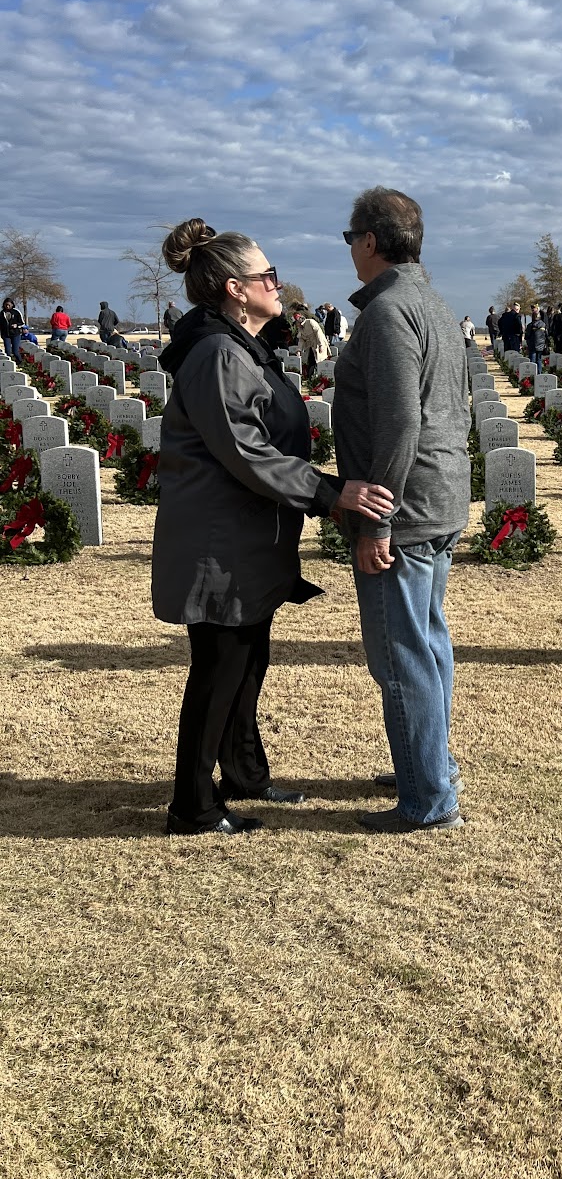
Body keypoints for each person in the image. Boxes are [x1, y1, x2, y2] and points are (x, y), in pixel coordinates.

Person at [153, 218, 392, 836]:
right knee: (218, 668)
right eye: (268, 276)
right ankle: (193, 805)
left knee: (248, 659)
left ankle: (243, 773)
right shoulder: (216, 353)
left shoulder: (242, 346)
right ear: (235, 288)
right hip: (220, 541)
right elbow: (246, 451)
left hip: (251, 537)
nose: (278, 284)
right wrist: (333, 492)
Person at [336, 186, 471, 834]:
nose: (349, 251)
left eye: (348, 239)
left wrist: (377, 521)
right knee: (429, 642)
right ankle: (431, 765)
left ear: (369, 241)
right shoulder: (434, 305)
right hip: (438, 498)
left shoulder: (389, 313)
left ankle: (427, 799)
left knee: (401, 654)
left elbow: (397, 424)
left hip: (407, 509)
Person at [296, 303, 330, 383]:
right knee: (311, 361)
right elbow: (301, 339)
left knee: (319, 360)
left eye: (296, 323)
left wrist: (321, 345)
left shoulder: (311, 322)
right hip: (310, 346)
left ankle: (321, 379)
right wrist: (299, 350)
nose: (296, 325)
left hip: (318, 343)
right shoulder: (300, 328)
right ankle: (310, 378)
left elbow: (319, 333)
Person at [525, 304, 548, 368]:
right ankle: (539, 374)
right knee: (539, 360)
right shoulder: (543, 324)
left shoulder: (530, 325)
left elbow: (527, 335)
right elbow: (546, 334)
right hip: (541, 345)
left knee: (532, 361)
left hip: (533, 345)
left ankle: (532, 375)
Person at [1, 297, 24, 362]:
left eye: (9, 305)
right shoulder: (2, 313)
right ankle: (9, 365)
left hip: (15, 334)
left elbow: (22, 323)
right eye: (6, 305)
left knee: (15, 351)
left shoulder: (16, 312)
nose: (7, 306)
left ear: (12, 304)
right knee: (7, 352)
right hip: (6, 334)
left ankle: (20, 362)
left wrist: (16, 325)